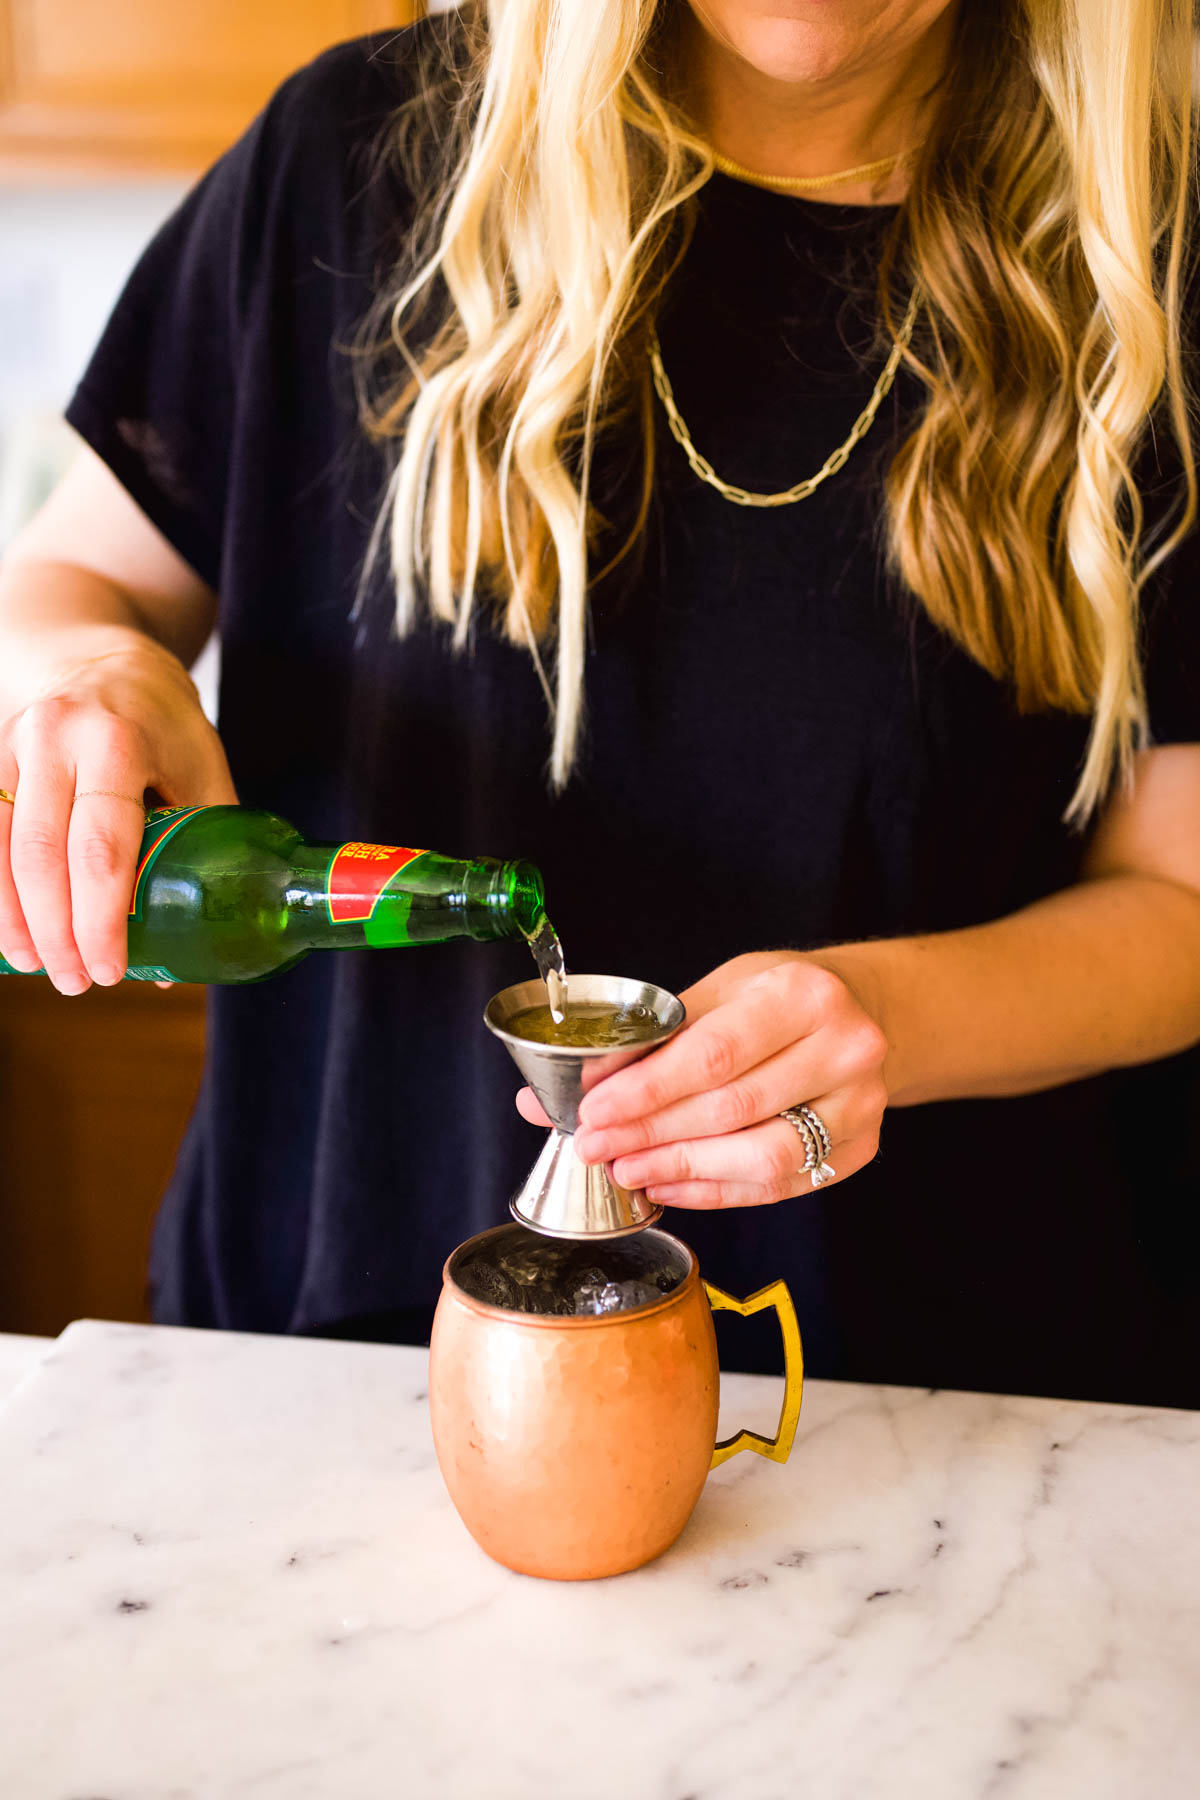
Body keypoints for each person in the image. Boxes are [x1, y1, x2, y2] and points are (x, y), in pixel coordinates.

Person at [0, 0, 1197, 1406]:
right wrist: (91, 677)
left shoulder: (1146, 253)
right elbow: (82, 576)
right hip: (311, 1362)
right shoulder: (359, 154)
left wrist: (901, 1015)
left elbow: (1179, 894)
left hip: (923, 1399)